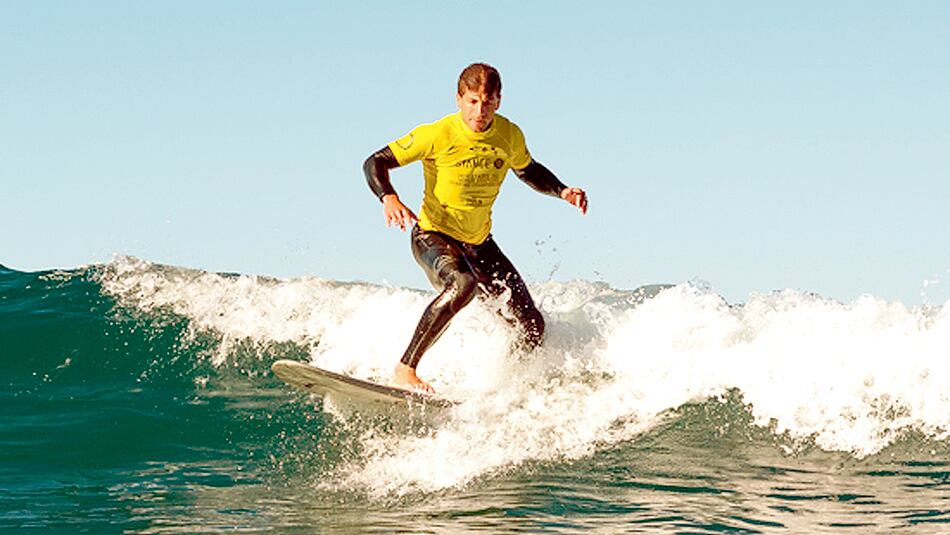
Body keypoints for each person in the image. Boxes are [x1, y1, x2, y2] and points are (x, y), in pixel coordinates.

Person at [363, 63, 588, 393]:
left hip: (479, 244)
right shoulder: (437, 134)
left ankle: (508, 387)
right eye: (472, 101)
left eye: (487, 102)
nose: (479, 111)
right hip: (433, 236)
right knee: (463, 284)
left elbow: (528, 170)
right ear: (459, 99)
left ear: (498, 101)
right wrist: (389, 197)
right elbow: (375, 161)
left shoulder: (509, 135)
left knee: (531, 324)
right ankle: (405, 369)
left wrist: (562, 191)